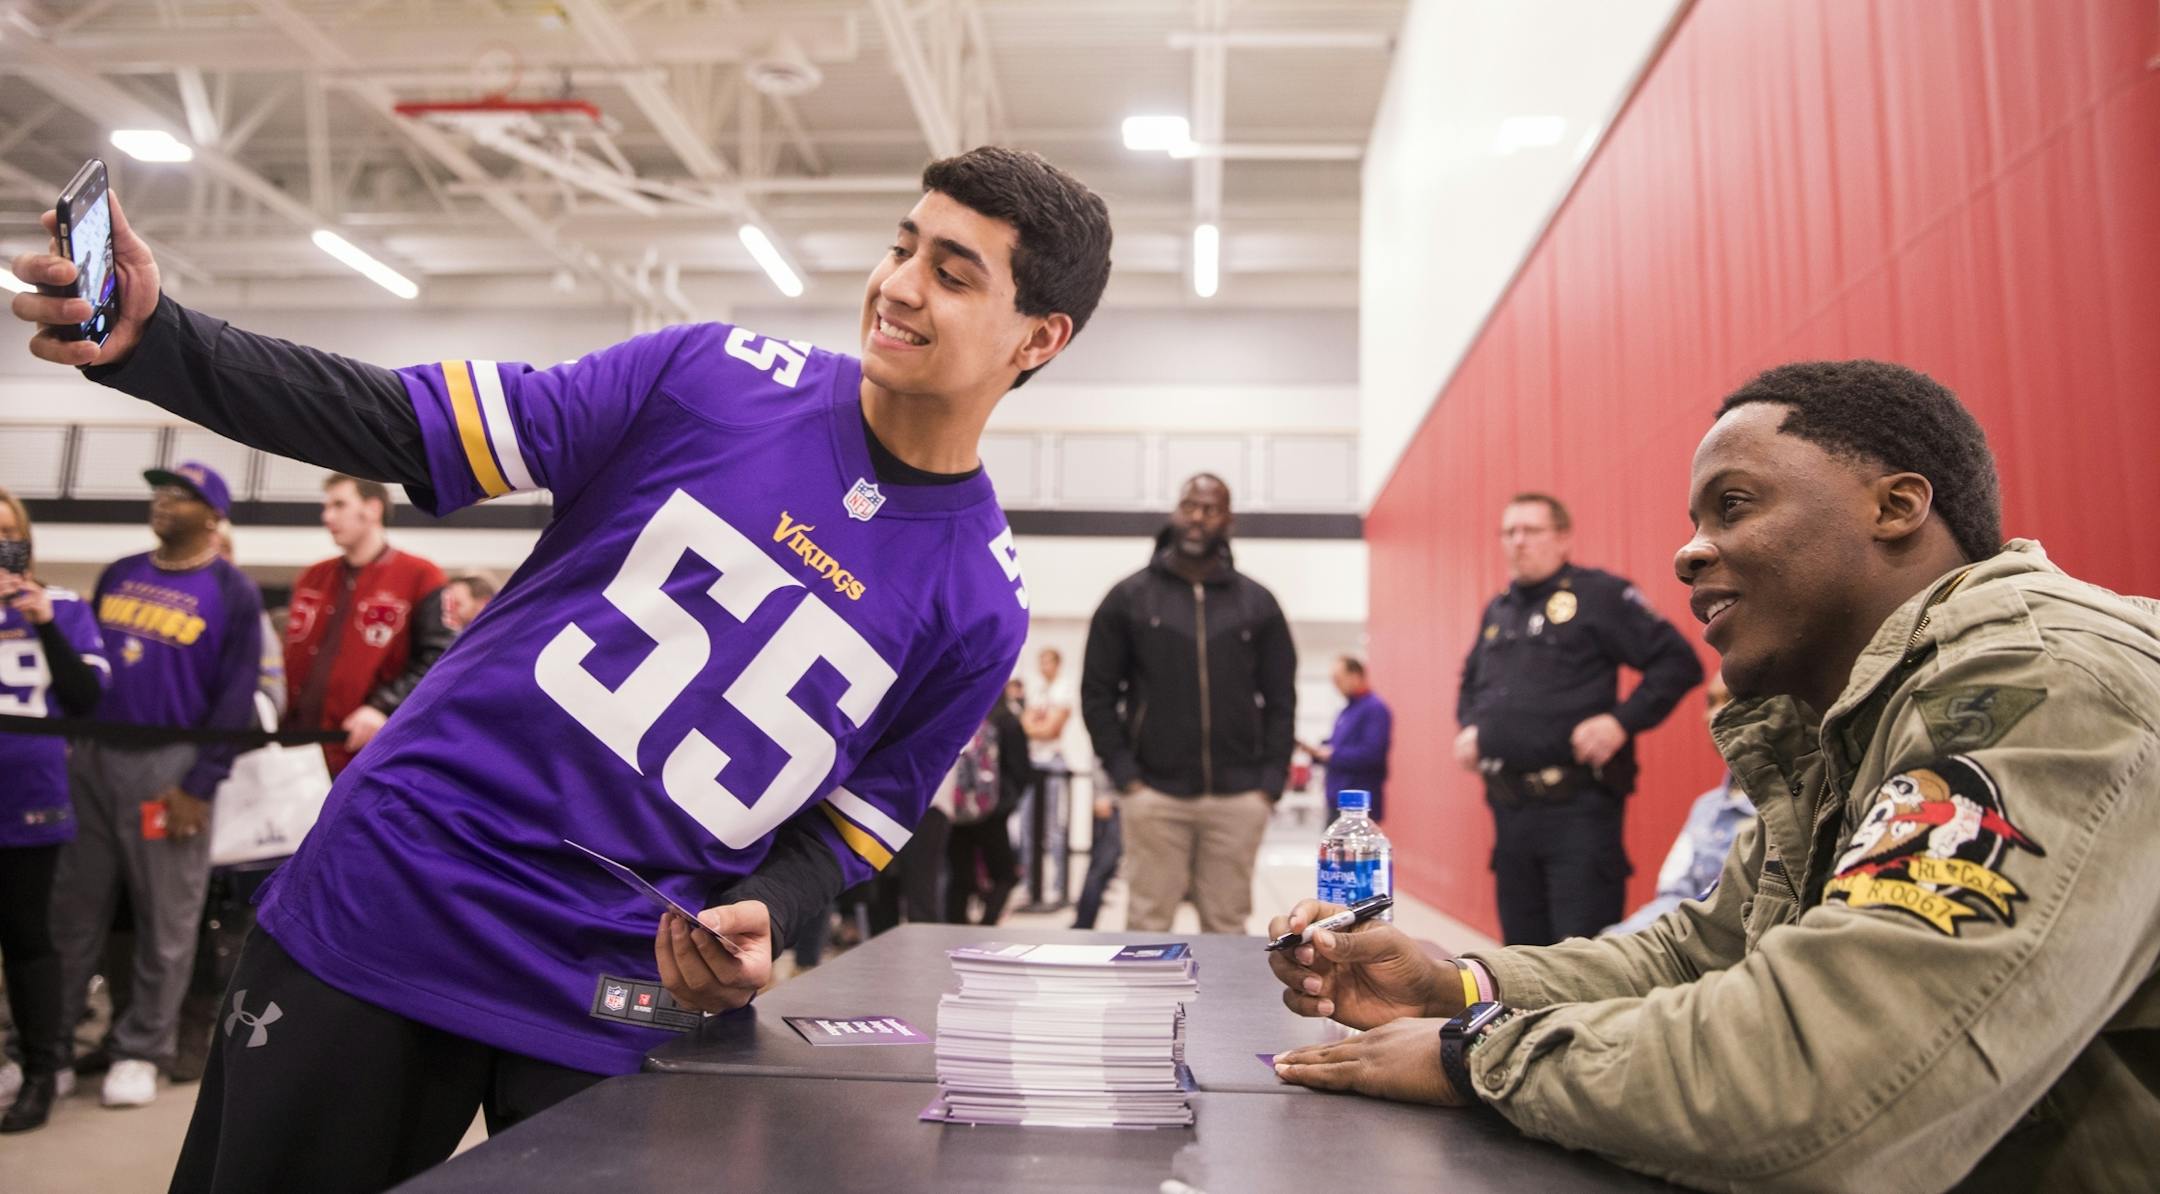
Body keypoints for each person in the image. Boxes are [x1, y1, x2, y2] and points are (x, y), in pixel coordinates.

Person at [12, 144, 1110, 1191]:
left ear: (1039, 337)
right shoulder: (710, 376)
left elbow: (862, 822)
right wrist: (161, 342)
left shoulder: (983, 599)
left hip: (628, 984)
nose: (899, 286)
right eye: (902, 244)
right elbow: (406, 423)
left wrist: (769, 909)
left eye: (952, 273)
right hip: (401, 893)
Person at [1265, 361, 2160, 1190]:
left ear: (1896, 505)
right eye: (1696, 522)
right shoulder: (1840, 725)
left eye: (1733, 506)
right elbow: (1698, 952)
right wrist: (1456, 984)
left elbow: (1821, 1076)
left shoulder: (2039, 689)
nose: (1689, 553)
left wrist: (1476, 1051)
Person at [51, 463, 263, 1110]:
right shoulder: (119, 571)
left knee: (166, 921)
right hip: (93, 758)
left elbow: (234, 700)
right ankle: (47, 1048)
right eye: (159, 493)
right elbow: (84, 664)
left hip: (171, 767)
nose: (162, 503)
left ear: (213, 514)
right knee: (71, 914)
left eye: (180, 496)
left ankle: (142, 1048)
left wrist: (200, 784)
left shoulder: (232, 591)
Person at [1453, 492, 1703, 945]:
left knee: (1578, 958)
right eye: (1509, 532)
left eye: (1531, 530)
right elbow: (1470, 683)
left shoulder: (1599, 595)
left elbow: (1678, 662)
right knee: (1520, 959)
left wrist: (1620, 722)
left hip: (1578, 814)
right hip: (1510, 814)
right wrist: (1470, 725)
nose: (1518, 541)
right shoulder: (1499, 610)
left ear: (1563, 538)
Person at [1080, 473, 1297, 934]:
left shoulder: (1257, 604)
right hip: (1154, 796)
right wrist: (1125, 776)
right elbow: (1097, 693)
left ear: (1228, 518)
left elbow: (1282, 698)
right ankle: (1145, 1011)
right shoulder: (1129, 598)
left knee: (1227, 926)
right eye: (1189, 505)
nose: (1197, 517)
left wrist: (1269, 783)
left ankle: (1224, 1011)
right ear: (1177, 511)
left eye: (1210, 508)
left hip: (1239, 799)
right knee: (1147, 924)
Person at [0, 486, 109, 1132]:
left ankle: (41, 1072)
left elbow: (87, 698)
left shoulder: (64, 608)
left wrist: (40, 620)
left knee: (28, 938)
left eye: (5, 532)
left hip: (30, 800)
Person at [286, 474, 451, 775]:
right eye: (326, 507)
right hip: (294, 749)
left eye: (339, 505)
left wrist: (382, 706)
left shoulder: (421, 576)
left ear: (372, 509)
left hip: (364, 753)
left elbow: (440, 658)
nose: (327, 516)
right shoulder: (313, 576)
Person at [1604, 674, 1752, 936]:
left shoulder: (1786, 806)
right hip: (1690, 948)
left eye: (1729, 701)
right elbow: (1674, 900)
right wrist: (1605, 943)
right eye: (1709, 703)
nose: (1712, 715)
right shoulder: (1706, 809)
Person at [945, 682, 1025, 924]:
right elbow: (1021, 770)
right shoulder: (1006, 719)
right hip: (992, 812)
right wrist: (1003, 803)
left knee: (960, 878)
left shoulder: (957, 713)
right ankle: (987, 924)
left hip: (955, 811)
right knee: (1005, 875)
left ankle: (952, 933)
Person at [1304, 655, 1393, 821]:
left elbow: (1372, 753)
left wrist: (1332, 754)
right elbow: (1338, 744)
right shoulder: (1345, 712)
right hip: (1337, 799)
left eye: (1338, 679)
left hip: (1360, 804)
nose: (1335, 685)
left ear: (1355, 676)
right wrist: (1317, 752)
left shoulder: (1375, 709)